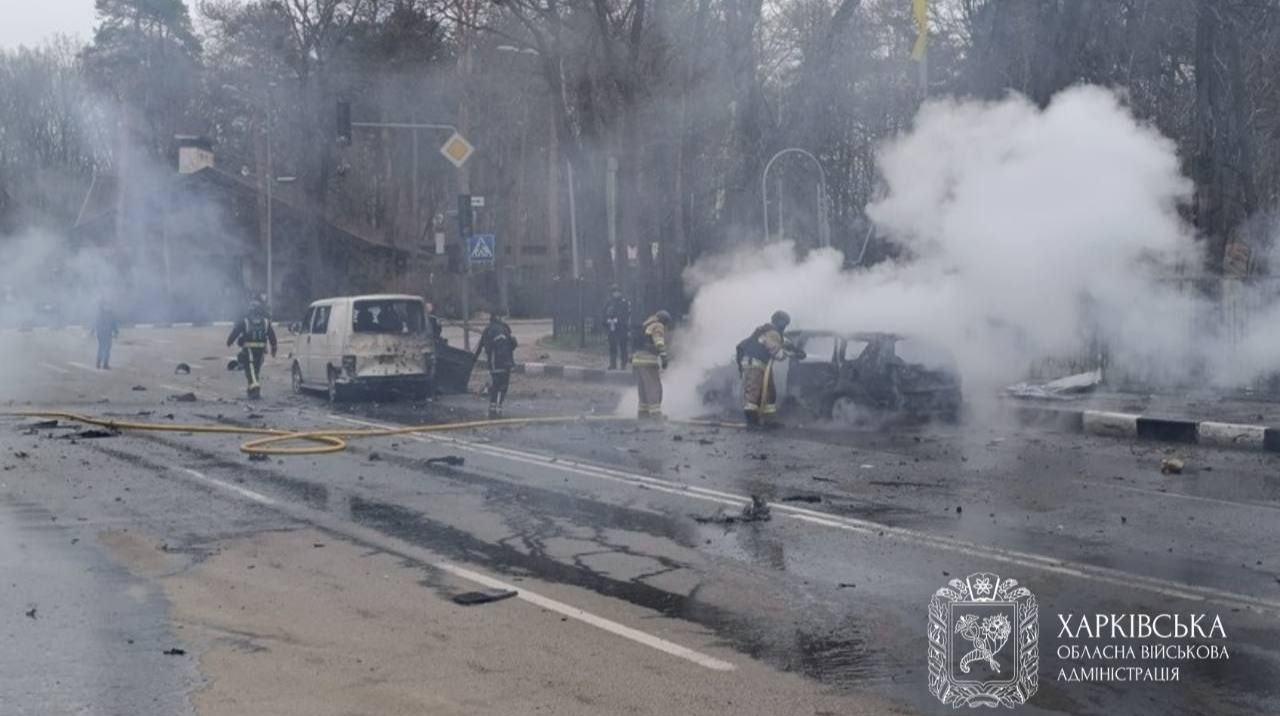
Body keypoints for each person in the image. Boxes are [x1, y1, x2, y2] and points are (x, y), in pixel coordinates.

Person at [736, 310, 805, 429]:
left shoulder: (770, 332)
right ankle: (752, 423)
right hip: (754, 364)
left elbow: (784, 341)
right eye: (784, 323)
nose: (785, 326)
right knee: (753, 392)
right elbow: (778, 353)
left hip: (762, 365)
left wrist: (795, 349)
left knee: (770, 392)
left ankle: (768, 421)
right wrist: (793, 355)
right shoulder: (771, 332)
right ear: (778, 322)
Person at [226, 297, 278, 400]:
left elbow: (235, 333)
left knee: (251, 370)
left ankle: (254, 386)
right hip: (261, 351)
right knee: (255, 370)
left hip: (249, 350)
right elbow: (272, 337)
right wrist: (274, 348)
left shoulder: (245, 321)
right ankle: (251, 389)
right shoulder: (266, 322)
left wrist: (229, 342)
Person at [474, 312, 518, 418]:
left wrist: (474, 359)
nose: (505, 319)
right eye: (504, 316)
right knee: (502, 386)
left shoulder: (488, 329)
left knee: (496, 385)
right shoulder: (503, 329)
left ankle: (493, 407)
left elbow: (481, 346)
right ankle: (498, 408)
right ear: (498, 317)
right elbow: (509, 345)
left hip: (493, 363)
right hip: (503, 362)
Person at [631, 310, 672, 419]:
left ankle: (643, 416)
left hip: (637, 361)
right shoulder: (658, 326)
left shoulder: (646, 325)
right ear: (665, 321)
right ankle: (656, 416)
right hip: (648, 361)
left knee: (643, 390)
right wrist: (664, 356)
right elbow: (658, 341)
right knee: (654, 388)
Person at [602, 285, 632, 370]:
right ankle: (613, 364)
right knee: (612, 346)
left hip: (622, 327)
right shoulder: (609, 302)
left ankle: (623, 363)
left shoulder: (624, 302)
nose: (616, 293)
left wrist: (618, 320)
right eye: (614, 291)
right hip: (612, 327)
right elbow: (604, 313)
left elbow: (626, 314)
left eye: (618, 291)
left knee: (623, 345)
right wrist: (607, 320)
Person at [90, 301, 118, 370]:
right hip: (103, 334)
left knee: (105, 349)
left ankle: (102, 363)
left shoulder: (106, 315)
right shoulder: (103, 315)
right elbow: (96, 323)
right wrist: (92, 331)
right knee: (104, 348)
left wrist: (116, 332)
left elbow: (113, 324)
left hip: (105, 334)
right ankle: (101, 363)